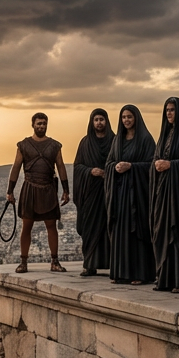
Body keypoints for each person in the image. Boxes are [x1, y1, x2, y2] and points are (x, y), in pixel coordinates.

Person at [6, 113, 70, 273]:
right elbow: (16, 167)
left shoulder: (55, 146)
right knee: (26, 226)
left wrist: (66, 190)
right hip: (30, 188)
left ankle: (55, 261)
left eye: (44, 124)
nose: (41, 126)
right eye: (39, 123)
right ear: (33, 124)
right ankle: (23, 262)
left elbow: (61, 166)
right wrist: (10, 191)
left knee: (51, 225)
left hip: (48, 188)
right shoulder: (23, 145)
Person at [105, 105, 155, 284]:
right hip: (120, 194)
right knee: (121, 232)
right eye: (124, 117)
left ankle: (139, 274)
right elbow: (109, 162)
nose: (126, 120)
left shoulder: (145, 139)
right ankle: (120, 272)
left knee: (136, 233)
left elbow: (151, 165)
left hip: (138, 195)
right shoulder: (118, 140)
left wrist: (131, 167)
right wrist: (114, 167)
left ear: (136, 118)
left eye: (129, 117)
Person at [151, 97, 179, 293]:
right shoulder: (164, 135)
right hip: (163, 191)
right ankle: (165, 278)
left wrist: (171, 165)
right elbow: (156, 157)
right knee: (163, 233)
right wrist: (157, 165)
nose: (169, 113)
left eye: (172, 110)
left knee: (178, 233)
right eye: (167, 110)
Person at [72, 108, 113, 277]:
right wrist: (90, 171)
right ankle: (90, 264)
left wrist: (108, 171)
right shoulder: (85, 143)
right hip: (91, 193)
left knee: (111, 228)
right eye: (96, 120)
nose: (99, 123)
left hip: (110, 192)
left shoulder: (115, 140)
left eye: (101, 119)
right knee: (90, 228)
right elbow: (78, 167)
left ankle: (113, 264)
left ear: (106, 121)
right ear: (92, 122)